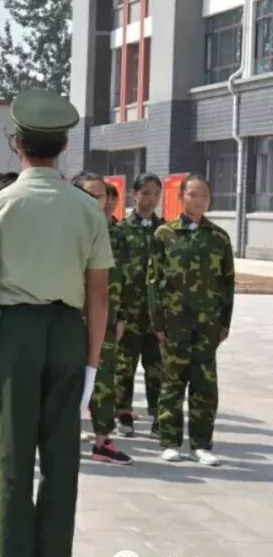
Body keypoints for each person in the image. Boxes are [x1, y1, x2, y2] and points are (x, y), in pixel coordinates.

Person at [0, 90, 112, 557]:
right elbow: (99, 292)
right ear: (65, 145)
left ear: (17, 144)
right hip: (68, 333)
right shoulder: (88, 208)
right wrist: (92, 363)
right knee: (61, 460)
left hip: (15, 334)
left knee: (13, 457)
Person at [149, 174, 234, 466]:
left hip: (207, 324)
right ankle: (170, 441)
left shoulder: (219, 237)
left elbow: (228, 283)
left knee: (205, 384)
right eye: (194, 194)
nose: (200, 200)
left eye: (205, 196)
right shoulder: (165, 234)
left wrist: (224, 323)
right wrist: (157, 323)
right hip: (174, 323)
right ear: (182, 196)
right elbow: (153, 281)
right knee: (173, 382)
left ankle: (201, 444)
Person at [71, 173, 132, 466]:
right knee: (66, 379)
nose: (100, 201)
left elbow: (125, 280)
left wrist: (121, 316)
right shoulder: (66, 231)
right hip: (69, 316)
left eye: (103, 196)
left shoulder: (116, 234)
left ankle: (102, 441)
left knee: (104, 379)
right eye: (93, 195)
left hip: (105, 318)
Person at [114, 173, 164, 437]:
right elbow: (117, 274)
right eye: (146, 193)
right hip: (130, 314)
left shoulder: (165, 231)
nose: (151, 198)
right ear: (135, 195)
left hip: (156, 316)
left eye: (156, 193)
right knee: (125, 366)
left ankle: (158, 416)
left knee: (157, 368)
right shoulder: (122, 230)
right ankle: (124, 415)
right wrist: (118, 312)